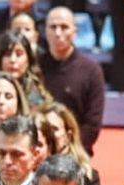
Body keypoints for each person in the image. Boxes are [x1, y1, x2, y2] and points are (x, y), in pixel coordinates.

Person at [37, 8, 104, 150]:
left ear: (75, 31)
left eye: (64, 27)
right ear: (44, 31)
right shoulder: (34, 67)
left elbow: (92, 124)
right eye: (53, 27)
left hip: (76, 151)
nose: (58, 33)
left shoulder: (91, 71)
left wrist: (70, 149)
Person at [35, 101, 101, 185]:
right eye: (44, 129)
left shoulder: (86, 175)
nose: (48, 134)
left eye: (54, 129)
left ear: (68, 136)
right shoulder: (26, 170)